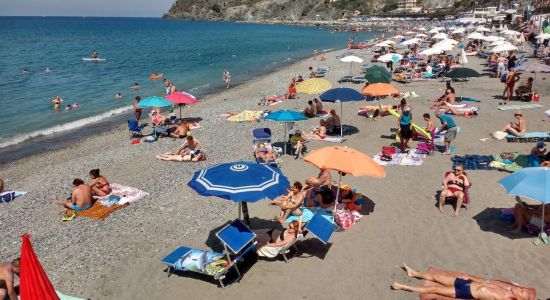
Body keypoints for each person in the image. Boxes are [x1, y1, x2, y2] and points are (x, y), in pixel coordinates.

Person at [392, 263, 530, 300]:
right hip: (467, 283)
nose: (520, 288)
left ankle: (402, 286)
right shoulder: (506, 289)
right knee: (437, 277)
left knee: (434, 290)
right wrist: (469, 277)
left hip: (466, 292)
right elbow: (486, 281)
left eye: (522, 291)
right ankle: (413, 273)